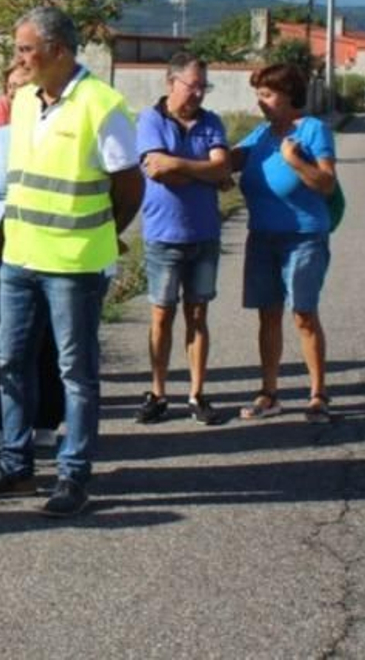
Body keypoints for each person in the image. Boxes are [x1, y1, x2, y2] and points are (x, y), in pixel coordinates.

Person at [0, 7, 142, 519]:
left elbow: (130, 188)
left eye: (24, 49)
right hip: (19, 258)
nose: (18, 58)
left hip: (75, 265)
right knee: (9, 361)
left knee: (75, 374)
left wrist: (105, 234)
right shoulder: (20, 103)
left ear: (57, 51)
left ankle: (72, 476)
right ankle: (16, 466)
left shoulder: (102, 106)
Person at [0, 63, 63, 451]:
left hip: (44, 237)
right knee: (0, 335)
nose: (19, 95)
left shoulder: (55, 136)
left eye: (27, 87)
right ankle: (4, 423)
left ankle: (46, 420)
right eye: (13, 89)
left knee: (46, 333)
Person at [230, 63, 339, 423]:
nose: (260, 102)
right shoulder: (260, 135)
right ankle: (269, 391)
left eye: (267, 94)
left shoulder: (312, 130)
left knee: (304, 313)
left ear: (289, 95)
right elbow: (229, 160)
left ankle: (318, 394)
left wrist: (294, 161)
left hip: (304, 237)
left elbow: (325, 184)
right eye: (258, 94)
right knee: (268, 314)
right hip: (262, 237)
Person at [134, 53, 232, 426]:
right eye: (192, 86)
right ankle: (158, 392)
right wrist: (208, 173)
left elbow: (222, 166)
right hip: (163, 235)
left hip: (204, 234)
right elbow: (159, 172)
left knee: (198, 313)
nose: (198, 94)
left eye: (203, 87)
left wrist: (184, 165)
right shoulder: (150, 119)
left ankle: (196, 393)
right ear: (170, 82)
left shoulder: (212, 123)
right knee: (162, 314)